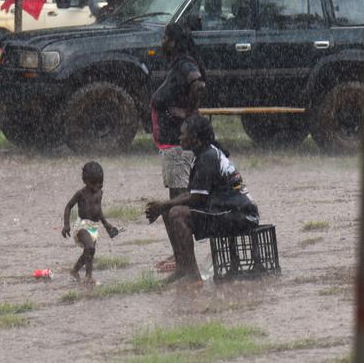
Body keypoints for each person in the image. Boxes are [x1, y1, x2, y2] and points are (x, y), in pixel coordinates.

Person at [145, 115, 259, 283]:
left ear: (195, 138)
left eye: (183, 134)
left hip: (240, 215)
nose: (179, 137)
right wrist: (164, 206)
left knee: (176, 213)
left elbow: (196, 198)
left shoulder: (208, 157)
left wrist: (165, 204)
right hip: (230, 211)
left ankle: (194, 277)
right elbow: (191, 194)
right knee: (170, 210)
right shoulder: (204, 154)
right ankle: (183, 268)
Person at [150, 22, 206, 272]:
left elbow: (198, 83)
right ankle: (179, 256)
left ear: (173, 42)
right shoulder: (177, 64)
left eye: (165, 38)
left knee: (175, 205)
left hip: (177, 146)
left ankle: (182, 260)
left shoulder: (185, 64)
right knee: (173, 203)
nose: (162, 42)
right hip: (171, 146)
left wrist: (189, 113)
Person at [62, 161, 120, 284]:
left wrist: (106, 224)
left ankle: (74, 270)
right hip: (82, 226)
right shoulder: (81, 194)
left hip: (94, 227)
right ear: (86, 181)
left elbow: (98, 210)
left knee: (89, 252)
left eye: (101, 183)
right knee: (89, 248)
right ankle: (88, 276)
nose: (98, 187)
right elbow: (68, 207)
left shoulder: (100, 193)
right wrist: (66, 224)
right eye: (95, 184)